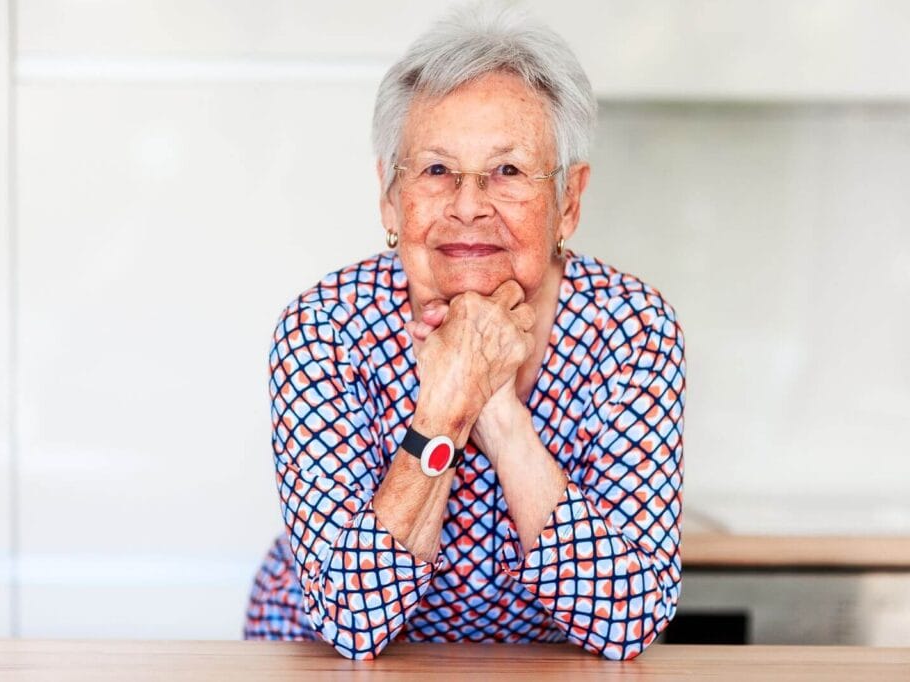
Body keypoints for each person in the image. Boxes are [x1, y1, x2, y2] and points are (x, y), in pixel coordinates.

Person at [244, 1, 686, 661]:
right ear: (391, 198)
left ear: (568, 202)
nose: (469, 204)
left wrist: (500, 413)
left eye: (508, 171)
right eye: (435, 170)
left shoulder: (633, 330)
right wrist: (446, 406)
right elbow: (353, 623)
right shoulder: (325, 330)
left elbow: (627, 621)